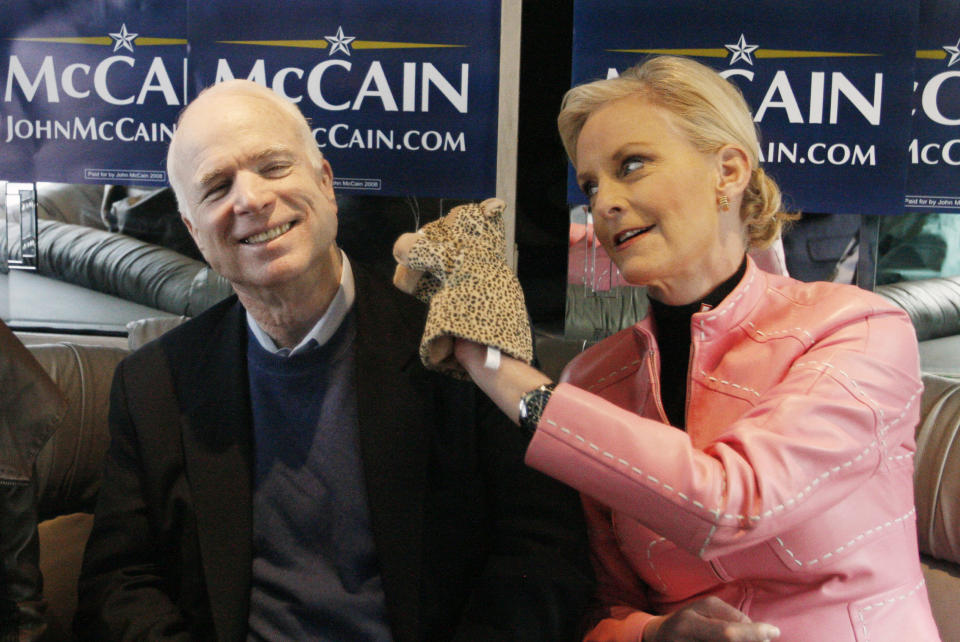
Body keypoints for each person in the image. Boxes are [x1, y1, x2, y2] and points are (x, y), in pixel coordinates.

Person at [74, 79, 594, 641]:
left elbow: (542, 560)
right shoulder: (153, 385)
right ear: (195, 231)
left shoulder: (465, 353)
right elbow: (117, 586)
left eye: (273, 167)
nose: (249, 199)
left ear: (325, 183)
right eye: (217, 186)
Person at [451, 56, 941, 641]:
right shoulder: (595, 379)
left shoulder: (860, 328)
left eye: (631, 166)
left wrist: (494, 365)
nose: (603, 202)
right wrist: (653, 634)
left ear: (729, 171)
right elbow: (603, 605)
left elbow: (733, 505)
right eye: (590, 185)